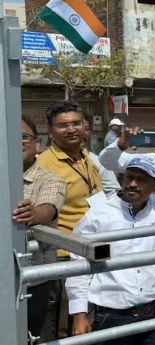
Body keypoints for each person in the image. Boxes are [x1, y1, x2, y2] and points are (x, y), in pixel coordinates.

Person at [66, 156, 155, 344]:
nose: (133, 184)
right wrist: (79, 313)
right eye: (129, 177)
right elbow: (79, 262)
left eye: (141, 179)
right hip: (112, 317)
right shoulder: (99, 211)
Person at [12, 117, 67, 342]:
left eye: (24, 137)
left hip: (36, 282)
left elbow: (47, 209)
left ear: (37, 144)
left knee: (38, 337)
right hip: (5, 281)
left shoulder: (50, 179)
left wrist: (32, 215)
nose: (17, 142)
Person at [36, 100, 103, 248]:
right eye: (63, 125)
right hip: (66, 253)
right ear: (50, 130)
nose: (71, 129)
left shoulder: (86, 156)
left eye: (76, 123)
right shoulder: (44, 165)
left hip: (94, 245)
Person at [82, 119, 120, 194]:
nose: (81, 133)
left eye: (86, 129)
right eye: (117, 126)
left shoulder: (98, 163)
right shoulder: (111, 137)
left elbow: (113, 193)